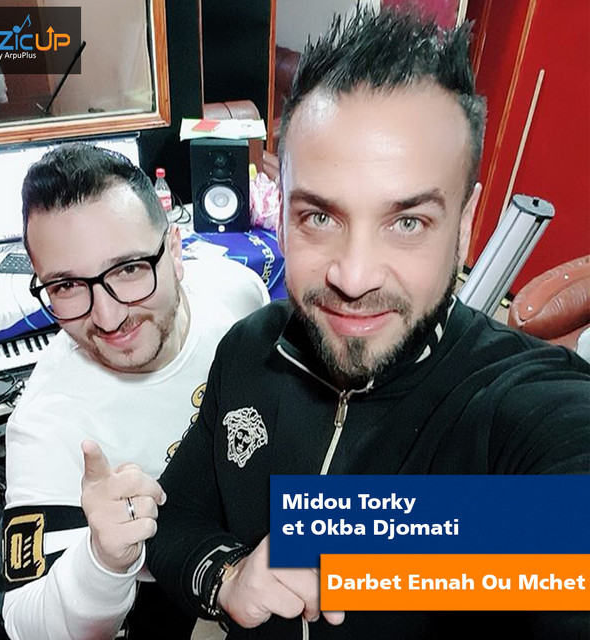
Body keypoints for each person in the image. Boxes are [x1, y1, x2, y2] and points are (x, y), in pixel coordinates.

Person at [141, 8, 589, 639]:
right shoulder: (250, 347)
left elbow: (575, 524)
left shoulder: (519, 400)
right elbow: (176, 518)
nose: (353, 278)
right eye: (319, 217)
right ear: (281, 209)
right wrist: (228, 579)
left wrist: (335, 542)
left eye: (407, 222)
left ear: (465, 225)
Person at [1, 143, 269, 640]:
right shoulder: (46, 423)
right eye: (66, 286)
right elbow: (24, 622)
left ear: (175, 251)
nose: (108, 317)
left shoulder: (239, 294)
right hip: (172, 604)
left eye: (128, 269)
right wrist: (102, 560)